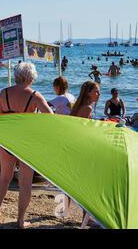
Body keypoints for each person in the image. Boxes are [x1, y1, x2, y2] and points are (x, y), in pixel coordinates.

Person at [0, 62, 53, 229]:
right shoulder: (35, 96)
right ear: (31, 77)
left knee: (4, 178)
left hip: (8, 141)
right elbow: (51, 118)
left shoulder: (4, 93)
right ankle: (20, 220)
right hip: (27, 142)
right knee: (25, 183)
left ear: (17, 76)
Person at [70, 81, 101, 227]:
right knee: (86, 185)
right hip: (81, 149)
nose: (99, 94)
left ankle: (67, 212)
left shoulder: (80, 106)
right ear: (88, 92)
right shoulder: (87, 108)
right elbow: (80, 131)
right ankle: (85, 218)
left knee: (78, 184)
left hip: (75, 148)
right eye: (96, 91)